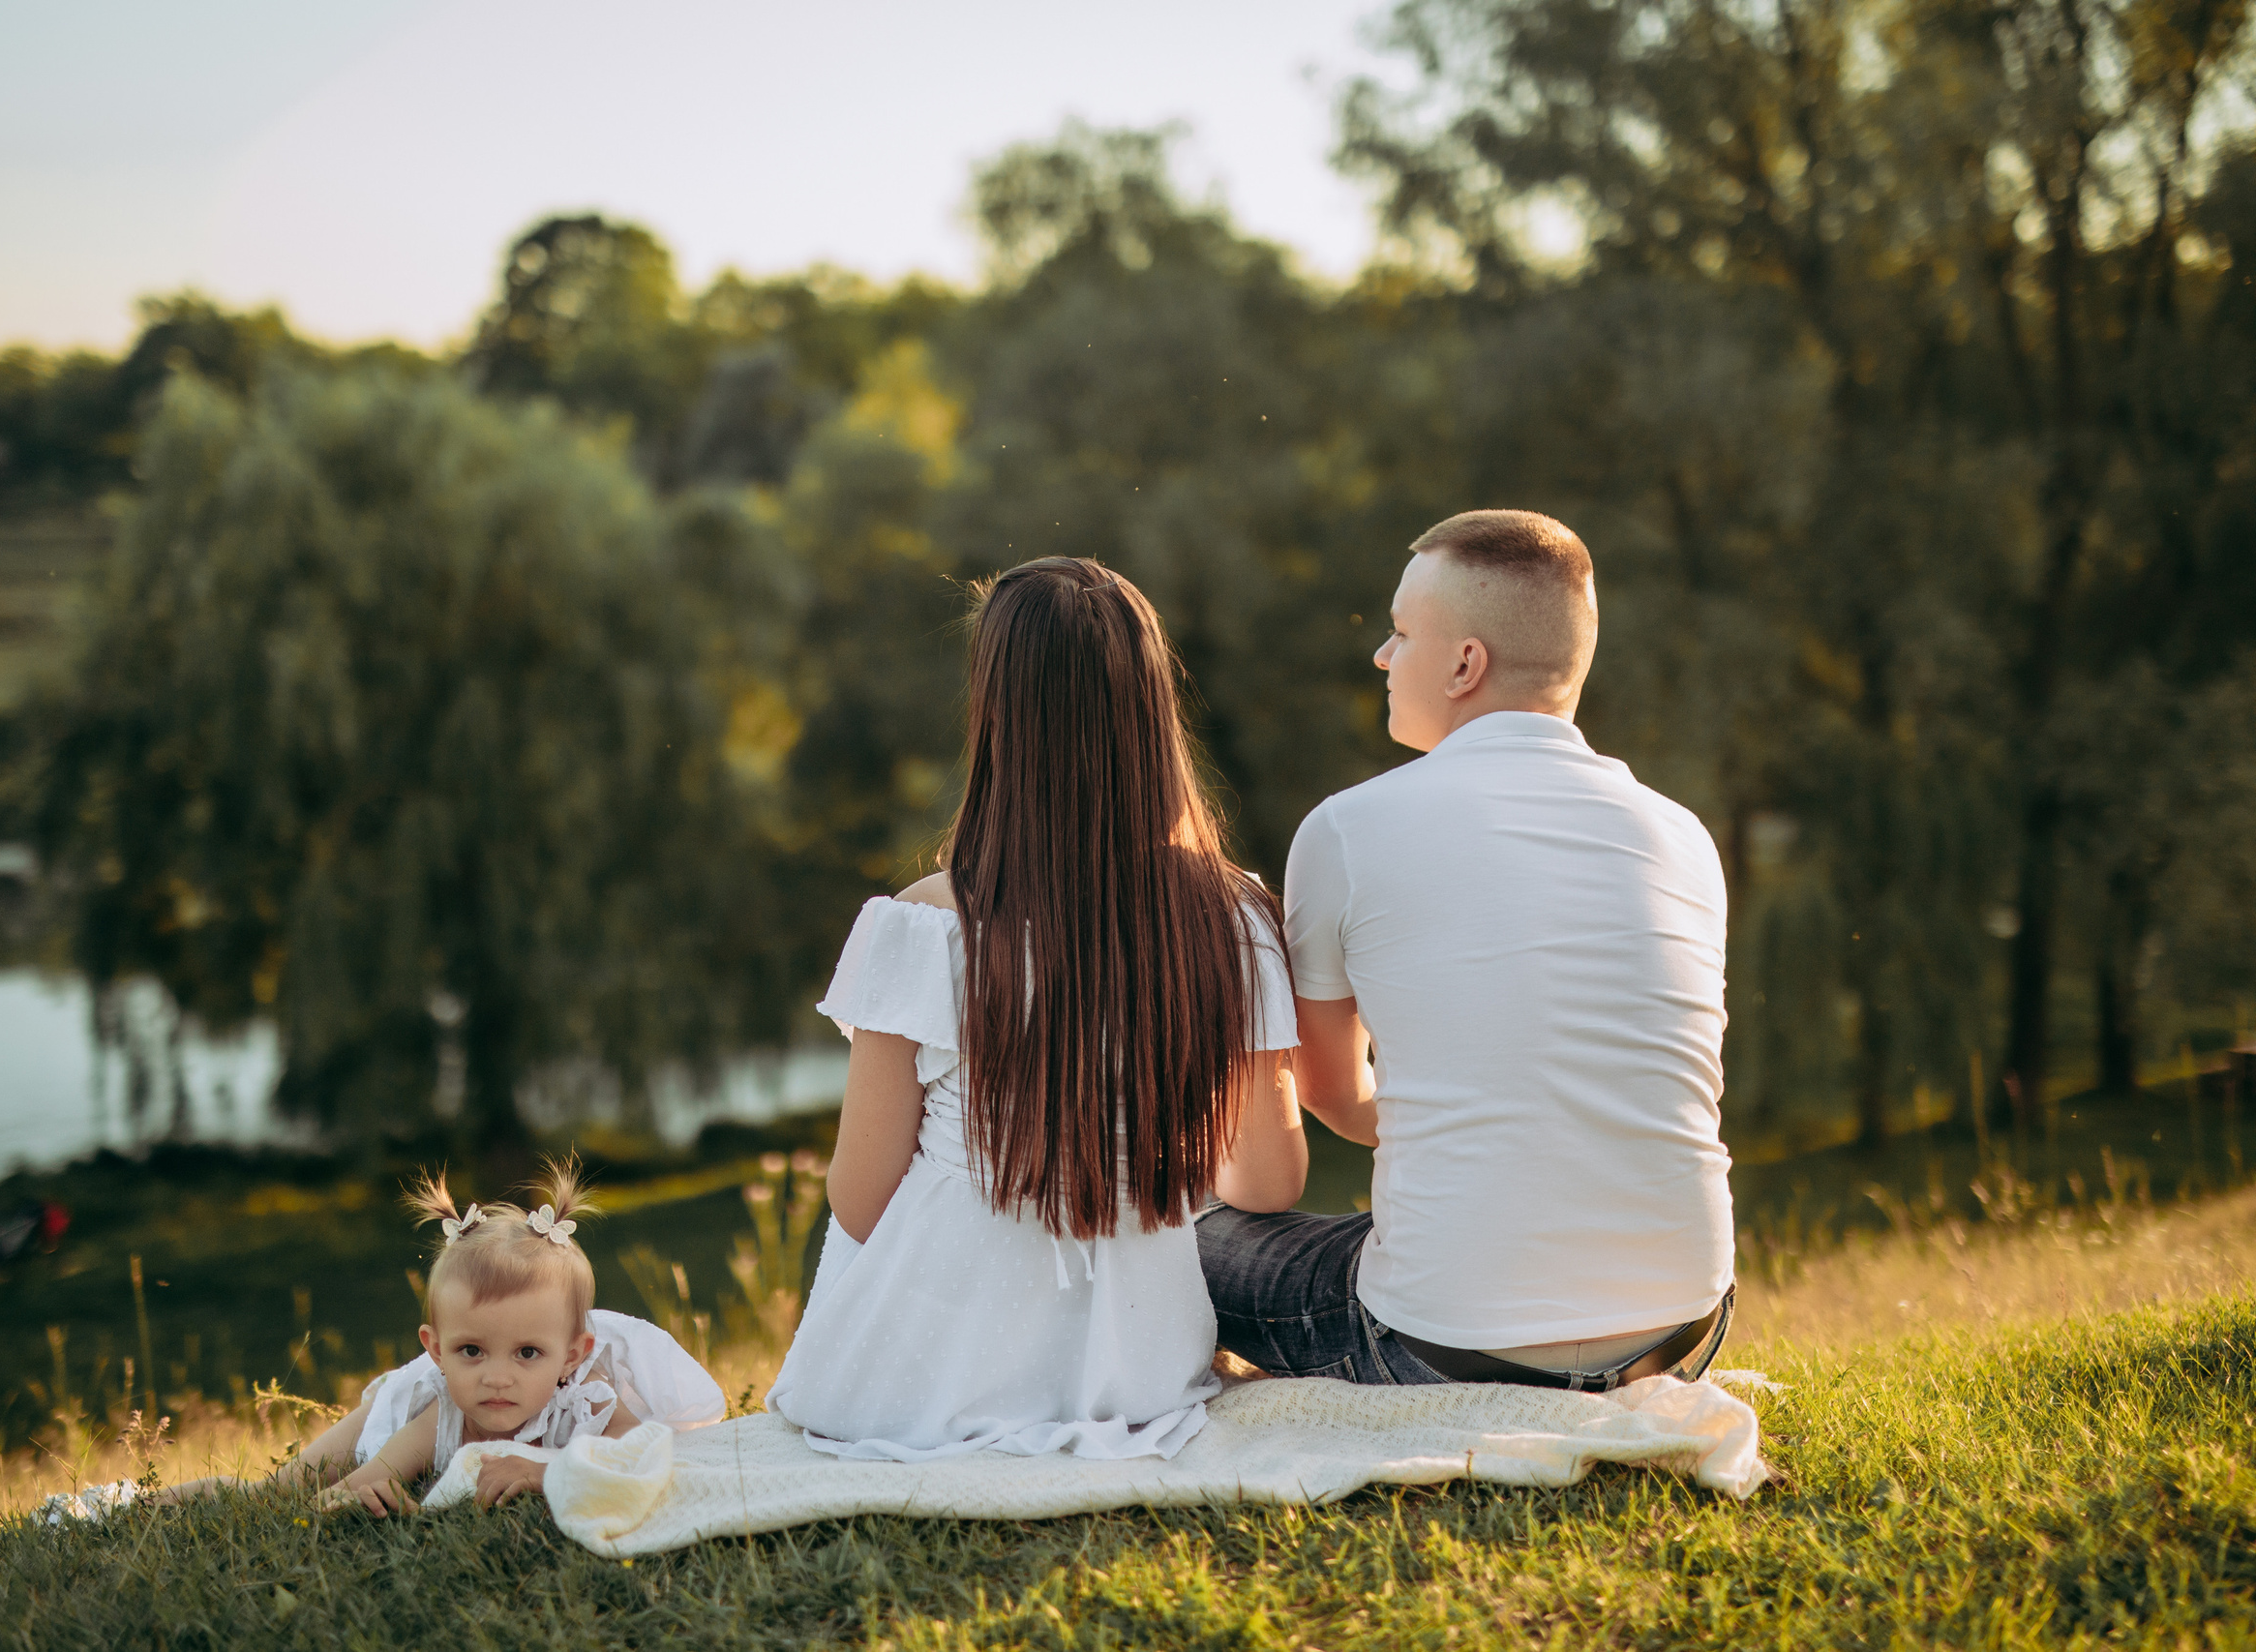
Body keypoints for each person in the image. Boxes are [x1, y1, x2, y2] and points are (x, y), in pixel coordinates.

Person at [767, 556, 1307, 1460]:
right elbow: (1268, 1183)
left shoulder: (918, 924)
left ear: (996, 716)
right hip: (1131, 1367)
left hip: (913, 1375)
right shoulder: (1238, 917)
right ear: (1152, 713)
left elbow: (859, 1202)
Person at [1198, 510, 1735, 1390]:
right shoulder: (1680, 836)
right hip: (1680, 1328)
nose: (1382, 655)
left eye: (1402, 633)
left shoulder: (1347, 831)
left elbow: (1330, 1092)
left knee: (1188, 1226)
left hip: (1439, 1347)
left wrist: (1460, 1119)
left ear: (1464, 663)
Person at [114, 1161, 724, 1518]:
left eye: (528, 1353)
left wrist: (548, 1471)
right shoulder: (441, 1408)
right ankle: (129, 1507)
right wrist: (369, 1492)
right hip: (394, 1408)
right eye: (471, 1352)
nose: (496, 1376)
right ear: (436, 1350)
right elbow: (352, 1489)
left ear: (572, 1356)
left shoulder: (586, 1400)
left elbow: (644, 1465)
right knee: (280, 1490)